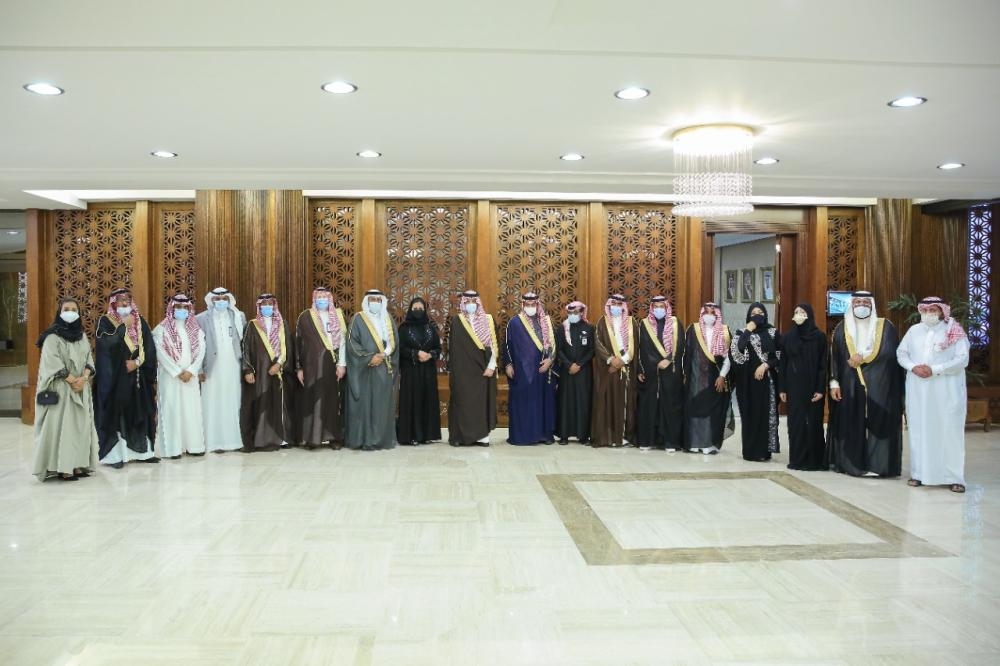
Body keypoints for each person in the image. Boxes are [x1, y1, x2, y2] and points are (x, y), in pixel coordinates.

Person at [897, 296, 970, 493]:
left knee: (949, 430)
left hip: (946, 390)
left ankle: (954, 477)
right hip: (919, 390)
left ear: (942, 311)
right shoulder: (914, 331)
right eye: (926, 310)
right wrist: (913, 367)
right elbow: (901, 353)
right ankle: (919, 473)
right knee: (920, 429)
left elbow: (962, 359)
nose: (929, 314)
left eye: (934, 310)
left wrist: (935, 369)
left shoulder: (953, 330)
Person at [828, 291, 904, 477]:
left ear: (872, 305)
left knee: (879, 423)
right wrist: (834, 383)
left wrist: (862, 357)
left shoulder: (885, 326)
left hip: (880, 386)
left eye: (865, 302)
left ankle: (879, 465)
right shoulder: (841, 328)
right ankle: (852, 464)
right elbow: (834, 358)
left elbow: (890, 352)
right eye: (857, 302)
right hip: (849, 386)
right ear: (852, 305)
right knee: (852, 423)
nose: (861, 305)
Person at [32, 298, 98, 481]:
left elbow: (89, 360)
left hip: (80, 389)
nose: (70, 312)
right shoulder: (52, 337)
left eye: (74, 309)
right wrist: (72, 380)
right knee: (64, 430)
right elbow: (52, 362)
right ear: (59, 312)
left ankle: (77, 465)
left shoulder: (82, 336)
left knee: (81, 429)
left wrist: (84, 378)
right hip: (62, 390)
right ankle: (63, 468)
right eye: (66, 309)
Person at [95, 288, 158, 468]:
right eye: (121, 300)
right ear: (113, 303)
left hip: (138, 377)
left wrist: (137, 363)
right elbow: (105, 345)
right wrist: (124, 326)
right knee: (117, 416)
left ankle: (143, 453)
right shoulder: (105, 321)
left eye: (128, 300)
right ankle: (115, 456)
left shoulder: (140, 321)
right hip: (115, 379)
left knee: (140, 414)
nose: (125, 303)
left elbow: (149, 348)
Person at [152, 294, 207, 459]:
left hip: (190, 376)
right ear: (172, 308)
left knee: (191, 411)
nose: (182, 310)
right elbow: (160, 353)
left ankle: (194, 446)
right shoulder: (161, 329)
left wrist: (192, 370)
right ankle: (172, 449)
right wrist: (177, 371)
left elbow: (201, 351)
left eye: (185, 308)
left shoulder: (196, 329)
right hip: (170, 377)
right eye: (178, 307)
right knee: (171, 411)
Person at [345, 289, 399, 450]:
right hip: (364, 370)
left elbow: (394, 343)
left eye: (378, 300)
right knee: (365, 405)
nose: (375, 303)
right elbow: (352, 344)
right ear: (367, 302)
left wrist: (383, 355)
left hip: (383, 368)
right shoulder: (358, 319)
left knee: (382, 406)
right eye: (372, 300)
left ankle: (382, 440)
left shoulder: (388, 319)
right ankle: (365, 440)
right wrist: (369, 358)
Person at [241, 293, 295, 451]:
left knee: (280, 404)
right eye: (263, 304)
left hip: (279, 372)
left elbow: (288, 347)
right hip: (259, 373)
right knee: (262, 404)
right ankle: (262, 439)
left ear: (274, 306)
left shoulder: (282, 324)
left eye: (270, 304)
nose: (267, 307)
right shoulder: (252, 325)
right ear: (259, 306)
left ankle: (282, 439)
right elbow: (245, 349)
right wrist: (247, 370)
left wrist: (279, 364)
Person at [295, 287, 347, 449]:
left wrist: (342, 364)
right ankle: (312, 438)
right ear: (314, 299)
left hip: (332, 365)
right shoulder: (305, 317)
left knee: (332, 401)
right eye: (319, 297)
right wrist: (299, 367)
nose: (322, 300)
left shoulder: (337, 315)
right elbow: (298, 343)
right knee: (312, 400)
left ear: (330, 299)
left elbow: (343, 342)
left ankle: (333, 437)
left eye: (325, 297)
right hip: (311, 366)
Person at [778, 303, 828, 471]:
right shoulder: (787, 337)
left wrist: (820, 389)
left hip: (813, 387)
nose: (798, 314)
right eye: (796, 312)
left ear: (809, 315)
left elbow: (823, 365)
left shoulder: (819, 337)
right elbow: (783, 364)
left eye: (802, 312)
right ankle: (797, 459)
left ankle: (815, 461)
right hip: (794, 387)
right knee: (796, 423)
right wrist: (782, 388)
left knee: (813, 423)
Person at [196, 287, 246, 454]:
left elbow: (244, 343)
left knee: (234, 401)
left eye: (224, 298)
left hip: (233, 366)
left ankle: (235, 441)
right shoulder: (201, 319)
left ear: (229, 300)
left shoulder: (238, 316)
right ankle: (214, 442)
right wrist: (199, 369)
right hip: (211, 368)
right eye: (217, 299)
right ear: (211, 300)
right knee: (212, 402)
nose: (221, 302)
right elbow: (197, 346)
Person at [504, 291, 557, 445]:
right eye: (527, 304)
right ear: (522, 305)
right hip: (522, 373)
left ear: (537, 304)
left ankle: (544, 436)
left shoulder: (546, 321)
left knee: (543, 403)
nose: (530, 307)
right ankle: (524, 436)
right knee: (525, 404)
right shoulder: (514, 322)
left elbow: (554, 344)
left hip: (543, 370)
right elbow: (506, 345)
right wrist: (508, 364)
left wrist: (549, 361)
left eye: (533, 304)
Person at [730, 302, 781, 462]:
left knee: (764, 415)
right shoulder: (741, 332)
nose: (757, 315)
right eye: (753, 313)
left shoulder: (772, 332)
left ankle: (764, 452)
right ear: (748, 316)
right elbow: (736, 353)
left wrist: (765, 365)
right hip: (747, 383)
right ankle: (750, 451)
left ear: (765, 314)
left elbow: (779, 355)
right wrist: (748, 330)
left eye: (760, 312)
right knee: (749, 415)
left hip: (767, 382)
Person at [447, 290, 498, 446]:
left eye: (473, 302)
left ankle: (482, 436)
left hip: (483, 369)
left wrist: (491, 366)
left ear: (478, 303)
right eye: (467, 302)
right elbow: (453, 348)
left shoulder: (488, 320)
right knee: (462, 402)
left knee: (480, 403)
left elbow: (493, 345)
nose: (470, 305)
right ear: (463, 303)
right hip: (463, 372)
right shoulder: (457, 321)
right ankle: (460, 437)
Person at [636, 296, 685, 451]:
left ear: (666, 308)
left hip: (671, 372)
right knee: (650, 406)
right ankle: (648, 440)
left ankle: (670, 442)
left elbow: (680, 345)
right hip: (651, 372)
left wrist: (668, 360)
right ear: (652, 308)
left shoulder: (676, 323)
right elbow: (642, 348)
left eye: (661, 306)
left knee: (670, 406)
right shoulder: (644, 324)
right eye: (655, 307)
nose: (658, 309)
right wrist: (652, 364)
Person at [683, 303, 734, 454]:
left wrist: (722, 375)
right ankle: (694, 442)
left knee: (712, 411)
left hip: (715, 377)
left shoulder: (724, 331)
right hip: (696, 378)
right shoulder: (693, 329)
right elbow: (686, 354)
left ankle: (708, 444)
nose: (709, 316)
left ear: (717, 315)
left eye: (713, 313)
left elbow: (729, 357)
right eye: (706, 312)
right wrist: (685, 375)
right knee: (694, 408)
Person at [591, 294, 639, 448]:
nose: (616, 307)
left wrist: (622, 361)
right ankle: (609, 437)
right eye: (614, 304)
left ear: (623, 306)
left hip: (626, 368)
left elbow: (635, 344)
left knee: (625, 403)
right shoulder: (602, 322)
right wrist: (611, 360)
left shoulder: (631, 322)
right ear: (609, 305)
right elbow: (598, 343)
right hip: (608, 370)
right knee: (608, 402)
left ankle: (624, 437)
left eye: (619, 304)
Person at [396, 297, 442, 445]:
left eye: (420, 308)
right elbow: (400, 349)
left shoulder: (430, 327)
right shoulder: (403, 328)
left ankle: (427, 435)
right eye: (415, 308)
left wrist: (431, 354)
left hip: (428, 371)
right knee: (412, 401)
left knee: (427, 401)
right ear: (410, 310)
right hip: (411, 371)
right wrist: (416, 353)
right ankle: (411, 435)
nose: (418, 311)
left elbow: (438, 348)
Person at [555, 301, 594, 444]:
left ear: (582, 313)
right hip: (567, 372)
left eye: (575, 313)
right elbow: (558, 350)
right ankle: (564, 435)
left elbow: (592, 350)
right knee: (566, 402)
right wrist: (569, 365)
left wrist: (579, 364)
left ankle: (583, 436)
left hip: (584, 371)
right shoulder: (562, 328)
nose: (572, 315)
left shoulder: (589, 328)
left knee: (583, 402)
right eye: (570, 313)